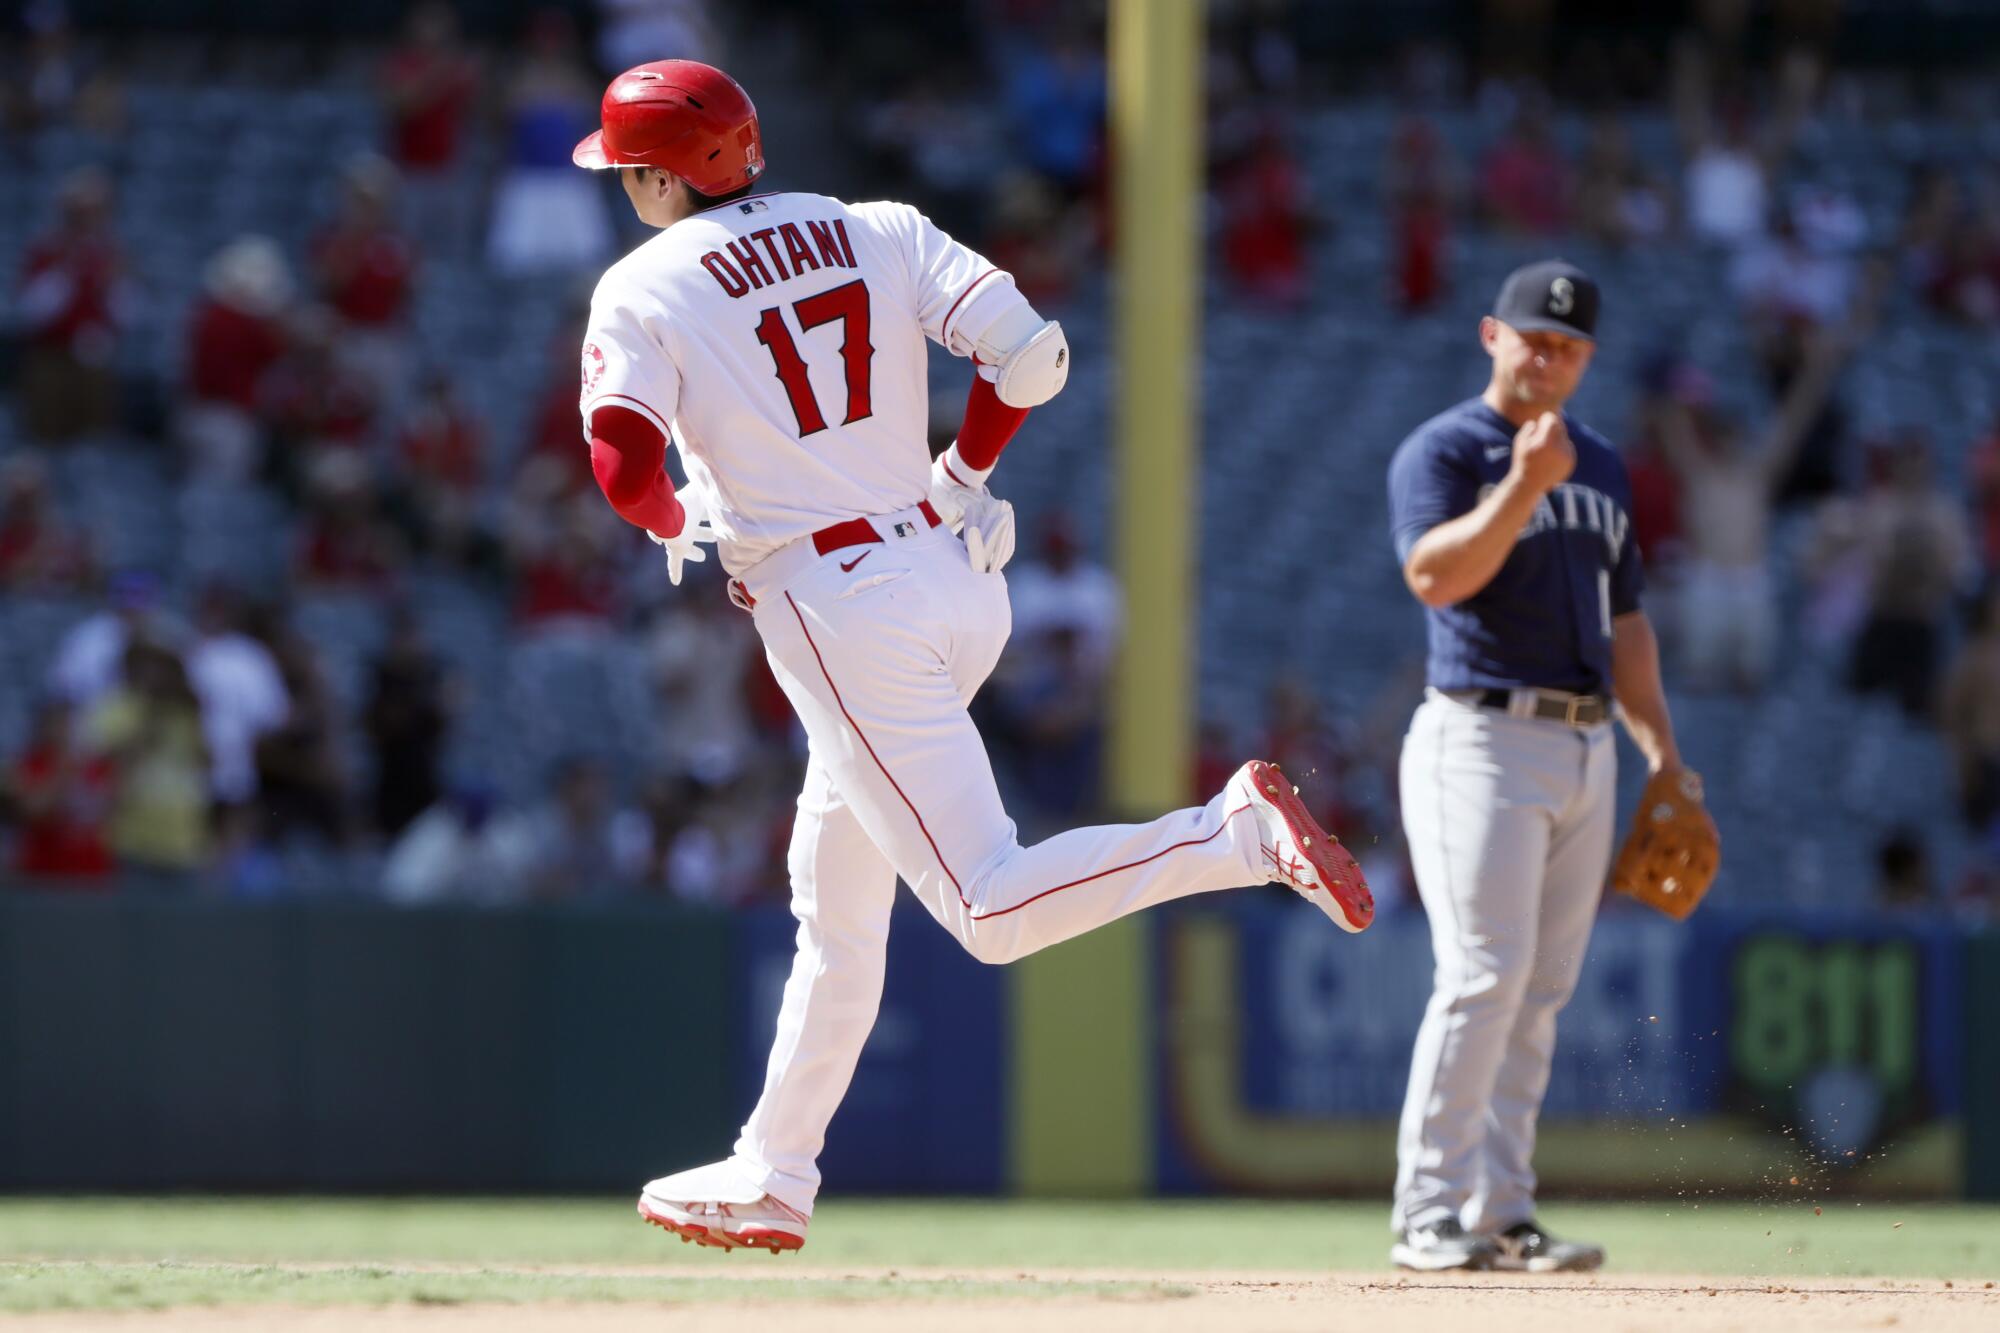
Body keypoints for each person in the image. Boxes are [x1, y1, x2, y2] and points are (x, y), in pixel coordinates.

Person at [570, 59, 1373, 1253]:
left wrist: (678, 523)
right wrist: (960, 473)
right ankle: (771, 1170)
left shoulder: (641, 284)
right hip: (952, 568)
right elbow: (1031, 358)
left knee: (985, 904)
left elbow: (622, 467)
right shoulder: (874, 225)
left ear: (653, 174)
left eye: (626, 167)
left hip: (836, 604)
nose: (622, 186)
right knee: (835, 908)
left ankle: (1228, 837)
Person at [1385, 261, 1693, 1273]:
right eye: (1532, 338)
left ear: (1587, 359)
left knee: (1541, 987)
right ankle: (1425, 1211)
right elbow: (1433, 577)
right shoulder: (1444, 449)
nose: (1547, 356)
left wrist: (1664, 757)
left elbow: (1630, 624)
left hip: (1585, 741)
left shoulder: (1599, 465)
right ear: (1490, 336)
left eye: (1567, 346)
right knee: (1482, 972)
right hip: (1477, 734)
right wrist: (1520, 485)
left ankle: (1501, 1211)